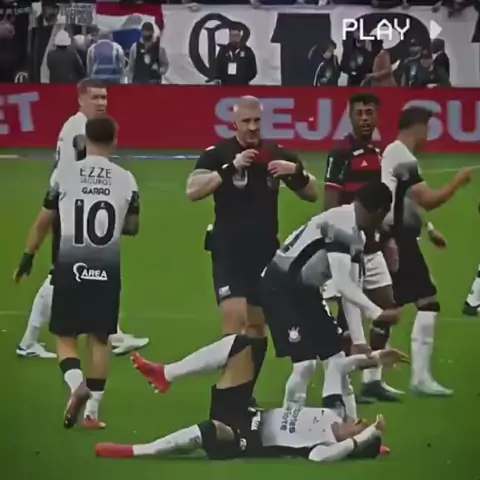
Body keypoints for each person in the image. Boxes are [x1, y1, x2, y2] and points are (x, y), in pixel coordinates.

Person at [95, 331, 408, 461]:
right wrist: (376, 359)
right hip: (244, 410)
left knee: (209, 431)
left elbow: (321, 459)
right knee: (248, 344)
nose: (358, 421)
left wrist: (365, 438)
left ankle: (137, 451)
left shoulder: (323, 445)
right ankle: (167, 373)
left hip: (242, 437)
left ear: (353, 443)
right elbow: (338, 368)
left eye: (360, 428)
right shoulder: (334, 412)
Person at [14, 116, 140, 429]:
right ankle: (92, 414)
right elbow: (132, 227)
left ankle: (75, 385)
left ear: (85, 141)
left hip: (70, 266)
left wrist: (29, 255)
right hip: (106, 270)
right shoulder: (126, 179)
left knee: (65, 335)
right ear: (115, 141)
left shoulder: (64, 174)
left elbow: (45, 218)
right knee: (100, 339)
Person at [15, 79, 148, 360]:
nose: (101, 103)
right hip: (72, 208)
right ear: (81, 99)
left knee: (74, 273)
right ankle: (35, 341)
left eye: (104, 97)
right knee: (73, 274)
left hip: (78, 206)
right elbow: (66, 177)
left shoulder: (81, 127)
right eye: (95, 97)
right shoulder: (77, 129)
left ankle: (32, 341)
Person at [185, 95, 318, 348]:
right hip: (228, 251)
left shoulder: (275, 153)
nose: (253, 127)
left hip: (264, 252)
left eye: (257, 120)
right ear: (234, 123)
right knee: (235, 322)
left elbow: (312, 193)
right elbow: (193, 190)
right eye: (246, 121)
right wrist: (230, 168)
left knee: (258, 326)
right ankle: (231, 374)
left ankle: (247, 375)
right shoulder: (218, 154)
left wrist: (295, 172)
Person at [262, 182, 401, 417]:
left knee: (337, 360)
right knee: (305, 365)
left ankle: (349, 425)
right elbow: (343, 283)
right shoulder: (341, 224)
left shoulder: (356, 235)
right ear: (379, 211)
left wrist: (358, 339)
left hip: (306, 291)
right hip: (279, 289)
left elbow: (351, 288)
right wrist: (377, 313)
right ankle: (289, 425)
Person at [382, 106, 471, 396]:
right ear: (417, 127)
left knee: (391, 305)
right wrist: (458, 182)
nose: (429, 136)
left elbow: (403, 200)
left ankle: (374, 376)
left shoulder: (394, 154)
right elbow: (428, 200)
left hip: (394, 237)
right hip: (398, 239)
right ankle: (419, 378)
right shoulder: (403, 157)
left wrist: (429, 229)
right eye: (427, 129)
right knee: (427, 301)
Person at [322, 93, 401, 403]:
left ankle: (372, 379)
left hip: (374, 247)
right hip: (349, 250)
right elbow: (330, 205)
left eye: (369, 112)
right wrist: (341, 242)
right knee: (346, 321)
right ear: (350, 117)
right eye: (359, 113)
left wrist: (388, 238)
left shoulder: (379, 153)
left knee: (388, 308)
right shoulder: (342, 153)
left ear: (378, 116)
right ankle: (342, 385)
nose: (365, 118)